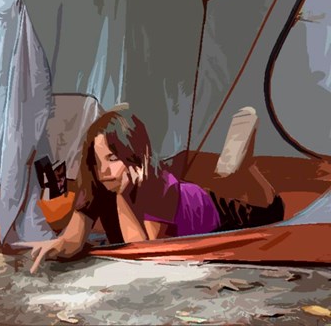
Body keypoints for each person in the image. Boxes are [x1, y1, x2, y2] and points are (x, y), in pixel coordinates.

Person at [18, 104, 284, 274]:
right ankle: (244, 168)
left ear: (134, 154)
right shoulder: (98, 182)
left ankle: (248, 167)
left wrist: (122, 196)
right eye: (98, 162)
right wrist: (57, 245)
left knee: (272, 213)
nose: (105, 171)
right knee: (270, 213)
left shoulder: (159, 186)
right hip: (188, 203)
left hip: (208, 211)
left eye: (112, 159)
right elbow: (74, 238)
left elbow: (145, 250)